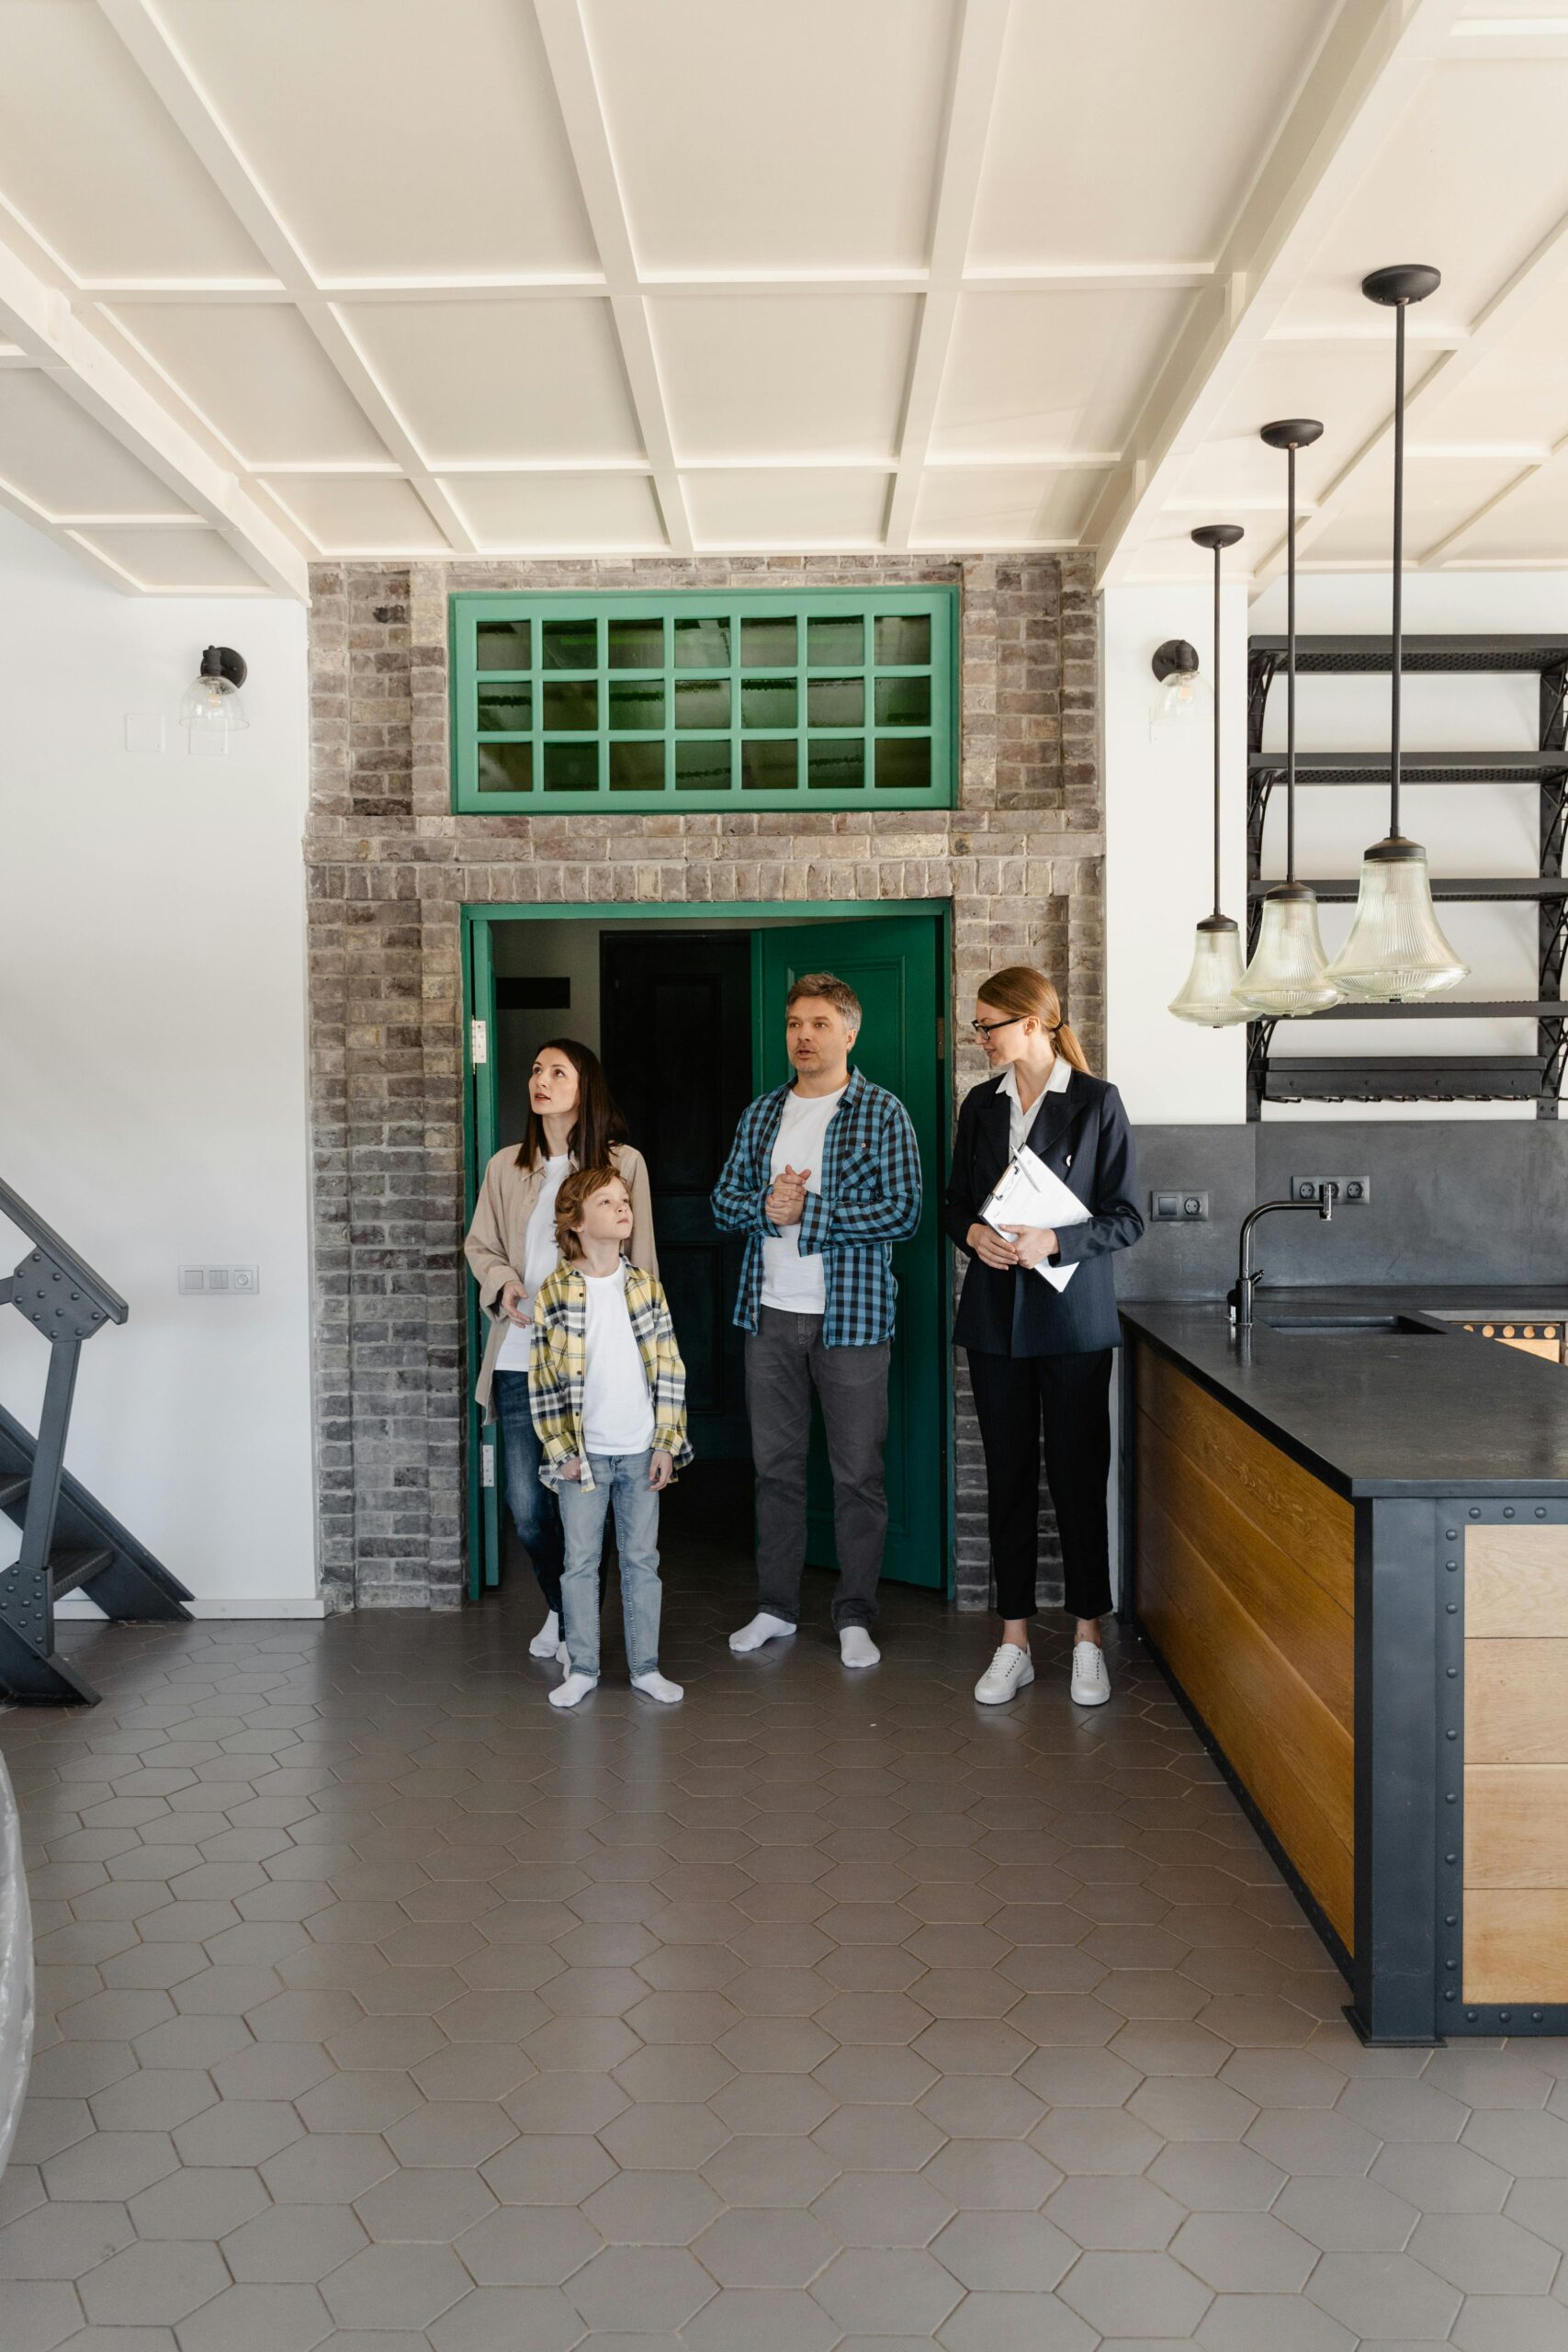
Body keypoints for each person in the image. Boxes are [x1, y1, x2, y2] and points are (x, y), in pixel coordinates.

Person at [944, 967, 1143, 1711]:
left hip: (1072, 1325)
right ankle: (1014, 1643)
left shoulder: (1096, 1103)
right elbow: (953, 1202)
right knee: (1006, 1483)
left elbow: (1126, 1217)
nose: (980, 1039)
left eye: (988, 1026)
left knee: (1076, 1478)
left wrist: (1052, 1242)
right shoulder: (978, 1105)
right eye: (977, 1026)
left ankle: (1089, 1639)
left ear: (1032, 1024)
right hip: (994, 1321)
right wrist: (971, 1233)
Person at [712, 972, 922, 1670]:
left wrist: (811, 1212)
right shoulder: (761, 1114)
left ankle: (855, 1615)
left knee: (857, 1474)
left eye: (819, 1024)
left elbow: (905, 1213)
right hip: (768, 1315)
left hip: (853, 1321)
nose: (803, 1035)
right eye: (794, 1023)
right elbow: (722, 1203)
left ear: (849, 1033)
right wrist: (766, 1207)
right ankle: (775, 1608)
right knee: (774, 1471)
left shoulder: (881, 1112)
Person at [464, 1039, 656, 1662]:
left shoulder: (624, 1164)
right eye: (534, 1071)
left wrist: (650, 1365)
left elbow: (643, 1264)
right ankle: (562, 1607)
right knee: (526, 1506)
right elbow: (480, 1247)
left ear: (585, 1086)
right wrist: (505, 1284)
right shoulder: (505, 1167)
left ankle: (578, 1629)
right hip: (522, 1357)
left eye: (556, 1072)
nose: (539, 1081)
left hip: (600, 1364)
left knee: (588, 1502)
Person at [528, 1167, 691, 1712]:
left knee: (642, 1560)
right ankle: (584, 1667)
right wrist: (563, 1453)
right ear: (574, 1220)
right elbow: (545, 1381)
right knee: (579, 1562)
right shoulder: (554, 1291)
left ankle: (646, 1667)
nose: (623, 1208)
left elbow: (669, 1367)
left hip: (641, 1447)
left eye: (625, 1200)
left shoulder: (643, 1284)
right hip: (586, 1456)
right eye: (607, 1202)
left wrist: (667, 1442)